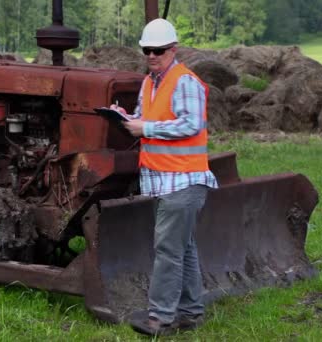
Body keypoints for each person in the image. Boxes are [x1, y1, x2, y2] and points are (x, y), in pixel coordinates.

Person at [111, 18, 218, 336]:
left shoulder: (185, 82)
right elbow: (147, 119)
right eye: (146, 50)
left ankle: (160, 318)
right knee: (182, 249)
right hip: (164, 179)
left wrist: (146, 128)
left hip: (184, 180)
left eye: (158, 50)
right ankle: (190, 313)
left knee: (168, 250)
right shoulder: (149, 82)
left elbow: (191, 125)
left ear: (173, 49)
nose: (152, 56)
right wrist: (126, 119)